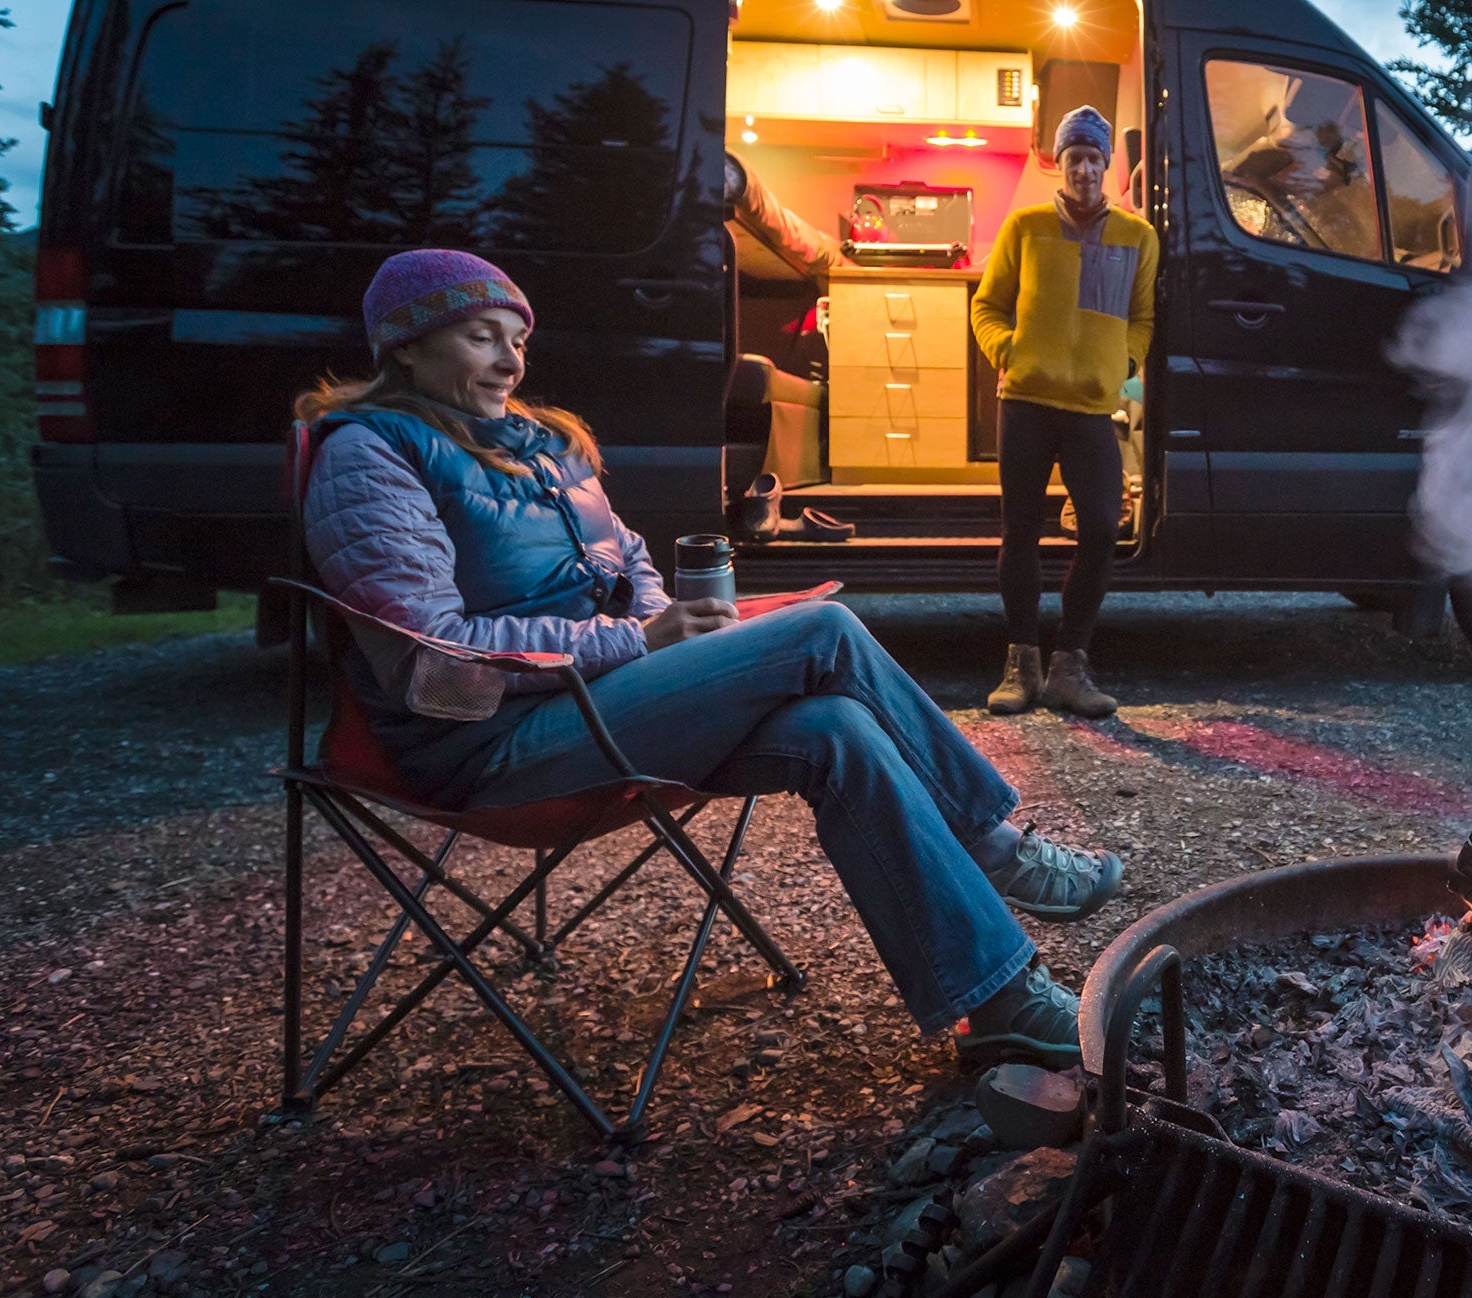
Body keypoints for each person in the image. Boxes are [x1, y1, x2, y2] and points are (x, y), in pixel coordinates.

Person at [296, 248, 1122, 1069]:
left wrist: (667, 627)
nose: (510, 361)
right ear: (404, 346)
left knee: (836, 727)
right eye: (481, 337)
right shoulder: (370, 453)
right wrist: (637, 642)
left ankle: (1000, 1003)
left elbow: (632, 561)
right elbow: (428, 654)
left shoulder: (545, 444)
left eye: (518, 340)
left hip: (604, 704)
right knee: (823, 631)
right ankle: (995, 847)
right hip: (487, 742)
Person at [970, 105, 1158, 719]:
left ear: (1106, 165)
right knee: (1020, 530)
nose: (1083, 169)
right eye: (1073, 157)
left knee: (1102, 527)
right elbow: (987, 305)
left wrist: (1125, 365)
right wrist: (1009, 351)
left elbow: (1142, 318)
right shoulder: (1024, 226)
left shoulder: (1138, 236)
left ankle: (1069, 666)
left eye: (1093, 159)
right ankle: (1020, 663)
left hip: (1090, 408)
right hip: (1025, 401)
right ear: (1060, 162)